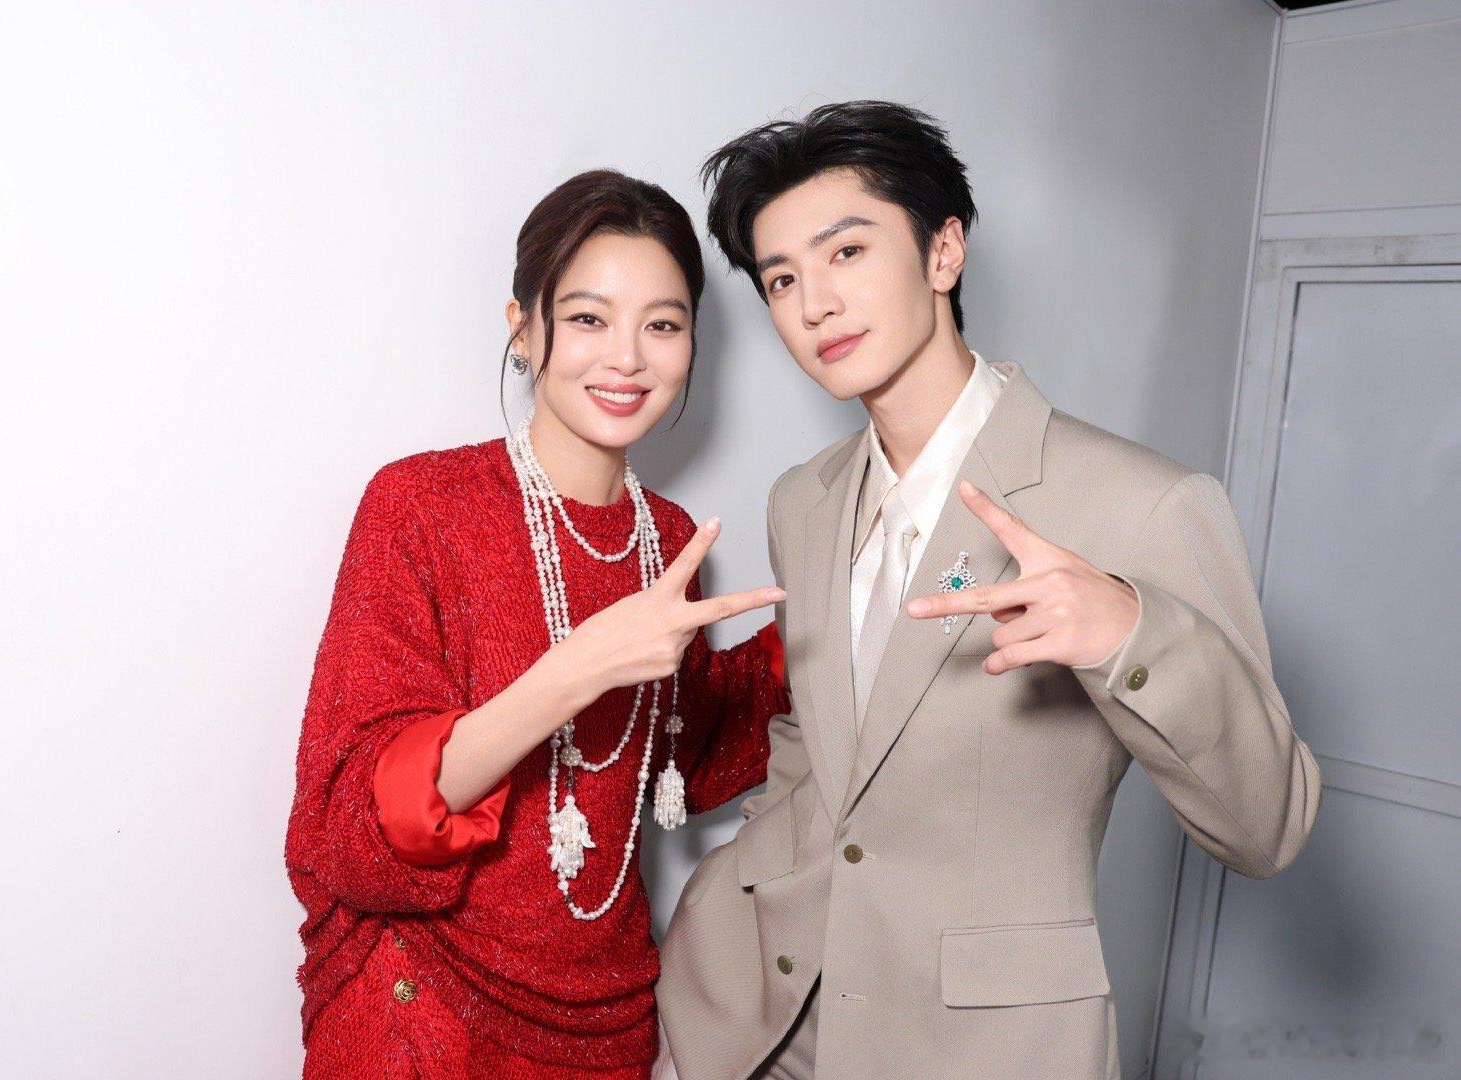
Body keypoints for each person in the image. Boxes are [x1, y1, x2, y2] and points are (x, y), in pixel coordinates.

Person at [655, 101, 1321, 1080]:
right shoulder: (803, 499)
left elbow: (1269, 828)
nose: (813, 305)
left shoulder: (1142, 501)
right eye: (781, 278)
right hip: (753, 1012)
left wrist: (1132, 634)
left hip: (977, 1045)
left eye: (846, 252)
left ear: (942, 252)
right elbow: (814, 749)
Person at [285, 168, 791, 1079]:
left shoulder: (668, 539)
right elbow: (357, 827)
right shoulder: (420, 506)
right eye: (590, 318)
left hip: (606, 1021)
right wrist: (576, 669)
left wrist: (860, 596)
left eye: (662, 324)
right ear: (522, 329)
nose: (626, 358)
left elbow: (682, 760)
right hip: (422, 1018)